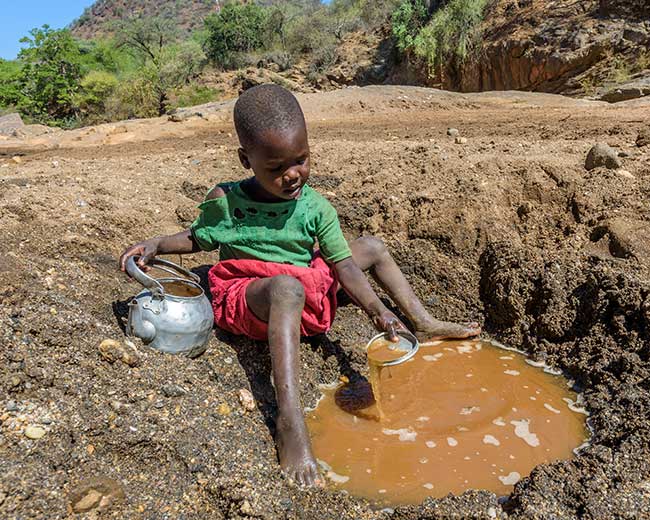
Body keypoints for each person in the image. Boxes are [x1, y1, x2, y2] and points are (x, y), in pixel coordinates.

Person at [118, 84, 480, 487]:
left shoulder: (316, 207)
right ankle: (290, 420)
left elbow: (344, 266)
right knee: (287, 287)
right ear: (246, 159)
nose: (292, 175)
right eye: (276, 168)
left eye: (301, 160)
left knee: (370, 248)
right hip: (250, 295)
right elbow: (198, 238)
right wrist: (156, 244)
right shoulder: (227, 200)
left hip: (304, 288)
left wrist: (379, 311)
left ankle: (423, 321)